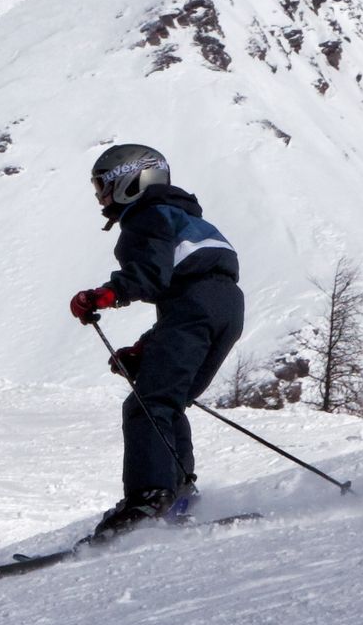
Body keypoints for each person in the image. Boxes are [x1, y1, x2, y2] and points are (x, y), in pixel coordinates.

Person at [70, 143, 244, 536]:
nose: (99, 198)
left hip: (195, 307)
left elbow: (152, 276)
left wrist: (102, 296)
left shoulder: (146, 217)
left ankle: (150, 498)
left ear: (130, 181)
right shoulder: (183, 217)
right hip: (226, 308)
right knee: (167, 401)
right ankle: (178, 495)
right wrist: (147, 349)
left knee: (147, 405)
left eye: (103, 187)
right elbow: (193, 294)